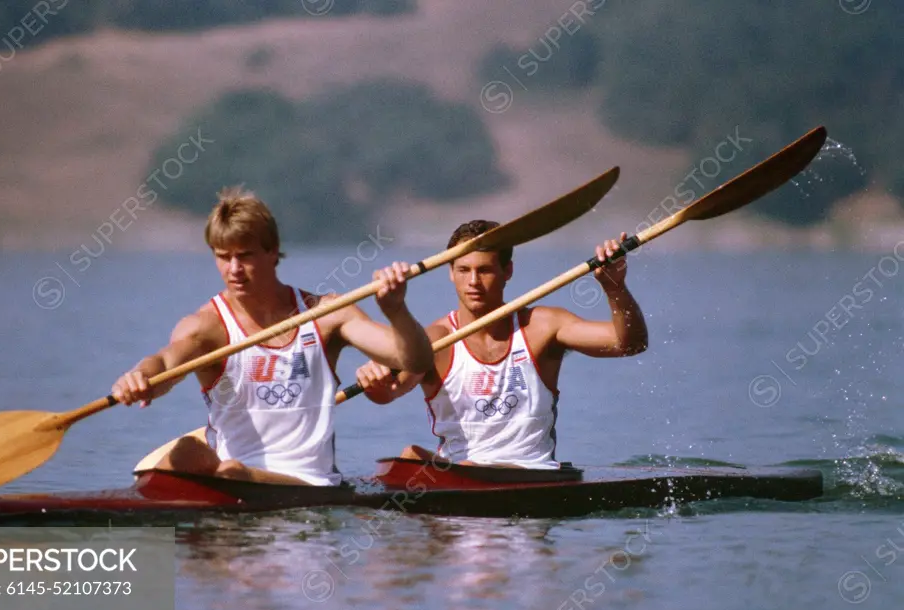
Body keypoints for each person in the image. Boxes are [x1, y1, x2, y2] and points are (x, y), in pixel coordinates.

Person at [112, 186, 433, 486]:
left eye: (245, 255)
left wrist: (396, 310)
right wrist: (141, 377)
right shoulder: (206, 327)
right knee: (185, 452)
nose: (234, 269)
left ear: (273, 252)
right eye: (223, 256)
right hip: (231, 474)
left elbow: (414, 359)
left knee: (229, 470)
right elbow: (166, 362)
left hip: (309, 483)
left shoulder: (326, 314)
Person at [354, 220, 648, 469]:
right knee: (408, 458)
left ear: (507, 271)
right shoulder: (435, 340)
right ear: (450, 272)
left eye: (484, 270)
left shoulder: (543, 327)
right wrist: (374, 382)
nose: (473, 282)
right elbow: (389, 393)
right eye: (463, 270)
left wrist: (614, 288)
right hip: (459, 480)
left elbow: (630, 344)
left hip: (532, 478)